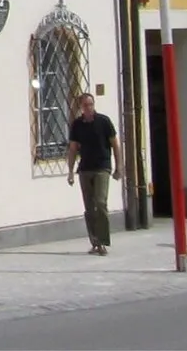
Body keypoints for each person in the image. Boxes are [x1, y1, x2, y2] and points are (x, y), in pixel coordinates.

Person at [66, 90, 121, 255]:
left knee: (100, 203)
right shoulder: (77, 125)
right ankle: (95, 242)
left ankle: (103, 241)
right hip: (85, 169)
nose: (88, 108)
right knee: (89, 207)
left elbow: (115, 144)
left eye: (91, 104)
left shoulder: (104, 121)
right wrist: (70, 171)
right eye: (85, 105)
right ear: (81, 107)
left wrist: (119, 167)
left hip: (102, 167)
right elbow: (73, 148)